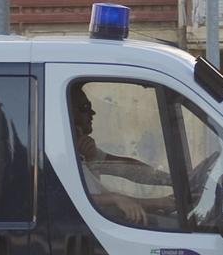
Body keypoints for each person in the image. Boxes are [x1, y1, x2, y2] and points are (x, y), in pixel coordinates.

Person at [71, 84, 173, 225]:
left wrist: (170, 180)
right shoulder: (60, 154)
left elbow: (126, 169)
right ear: (68, 113)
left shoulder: (84, 149)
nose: (92, 113)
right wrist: (159, 202)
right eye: (85, 108)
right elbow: (76, 200)